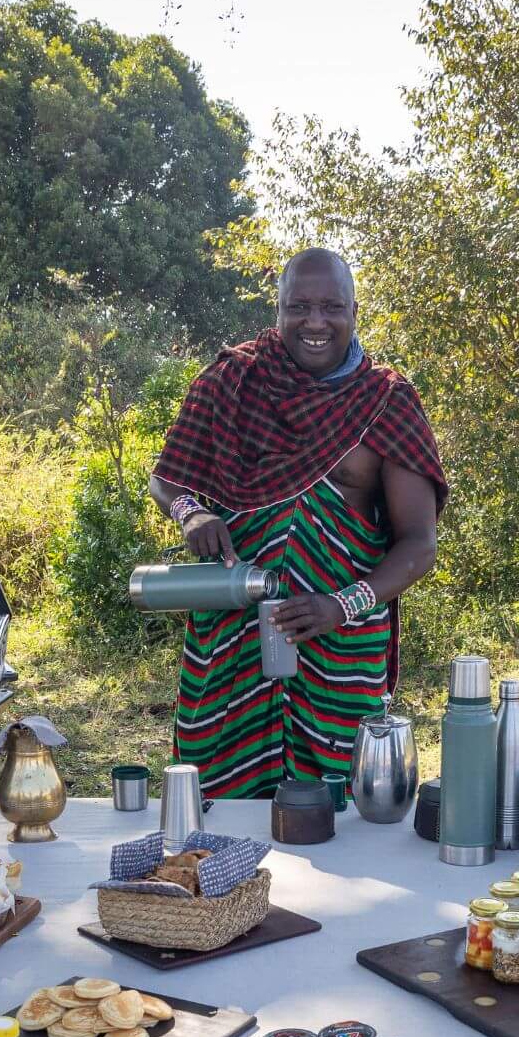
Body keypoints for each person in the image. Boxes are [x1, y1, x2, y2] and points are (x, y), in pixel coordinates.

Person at [147, 247, 448, 798]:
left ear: (354, 312)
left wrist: (343, 605)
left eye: (331, 307)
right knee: (217, 817)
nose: (315, 322)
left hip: (340, 650)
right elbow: (168, 476)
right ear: (278, 310)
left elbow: (419, 544)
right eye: (299, 307)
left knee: (345, 825)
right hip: (230, 643)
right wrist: (192, 513)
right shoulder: (230, 382)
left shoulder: (385, 402)